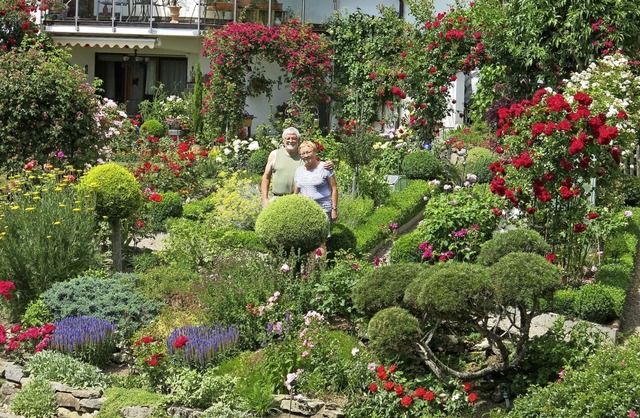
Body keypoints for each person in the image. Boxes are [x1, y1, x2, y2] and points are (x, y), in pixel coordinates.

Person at [261, 127, 332, 208]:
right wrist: (264, 199)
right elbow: (266, 177)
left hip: (298, 201)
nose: (290, 141)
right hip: (277, 200)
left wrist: (329, 164)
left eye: (294, 139)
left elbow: (317, 165)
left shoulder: (304, 156)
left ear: (298, 140)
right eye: (288, 138)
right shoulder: (275, 154)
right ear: (283, 140)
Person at [293, 141, 338, 238]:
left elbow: (334, 189)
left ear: (315, 152)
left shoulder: (325, 167)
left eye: (308, 152)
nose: (306, 155)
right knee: (307, 239)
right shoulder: (298, 171)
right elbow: (295, 193)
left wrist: (334, 209)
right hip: (305, 211)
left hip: (323, 209)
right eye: (303, 154)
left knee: (321, 240)